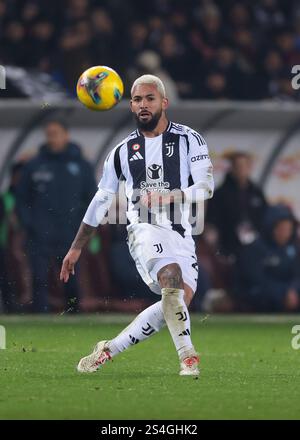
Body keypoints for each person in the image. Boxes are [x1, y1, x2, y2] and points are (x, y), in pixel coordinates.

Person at [60, 74, 214, 376]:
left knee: (176, 302)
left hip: (181, 232)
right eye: (137, 99)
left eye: (150, 98)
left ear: (164, 103)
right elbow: (101, 200)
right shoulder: (120, 153)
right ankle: (188, 357)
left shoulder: (189, 139)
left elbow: (206, 187)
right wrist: (76, 248)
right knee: (171, 278)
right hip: (143, 230)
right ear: (131, 105)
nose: (143, 104)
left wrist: (171, 196)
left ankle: (109, 349)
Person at [16, 119, 97, 313]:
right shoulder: (33, 166)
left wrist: (87, 228)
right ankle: (40, 316)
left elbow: (93, 199)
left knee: (72, 277)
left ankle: (73, 313)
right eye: (49, 134)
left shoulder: (82, 166)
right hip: (39, 234)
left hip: (71, 234)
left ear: (66, 135)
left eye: (56, 133)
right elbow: (21, 199)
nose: (52, 138)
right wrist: (29, 224)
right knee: (39, 278)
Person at [236, 205, 300, 312]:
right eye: (282, 229)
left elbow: (297, 275)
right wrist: (283, 292)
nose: (285, 234)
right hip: (262, 298)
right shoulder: (255, 249)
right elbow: (256, 280)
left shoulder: (293, 249)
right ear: (271, 228)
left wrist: (292, 289)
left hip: (290, 295)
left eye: (288, 229)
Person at [206, 151, 268, 256]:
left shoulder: (256, 192)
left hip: (255, 247)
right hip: (228, 247)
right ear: (232, 168)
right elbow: (212, 221)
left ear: (250, 167)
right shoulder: (220, 194)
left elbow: (265, 216)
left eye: (245, 165)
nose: (242, 169)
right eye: (238, 166)